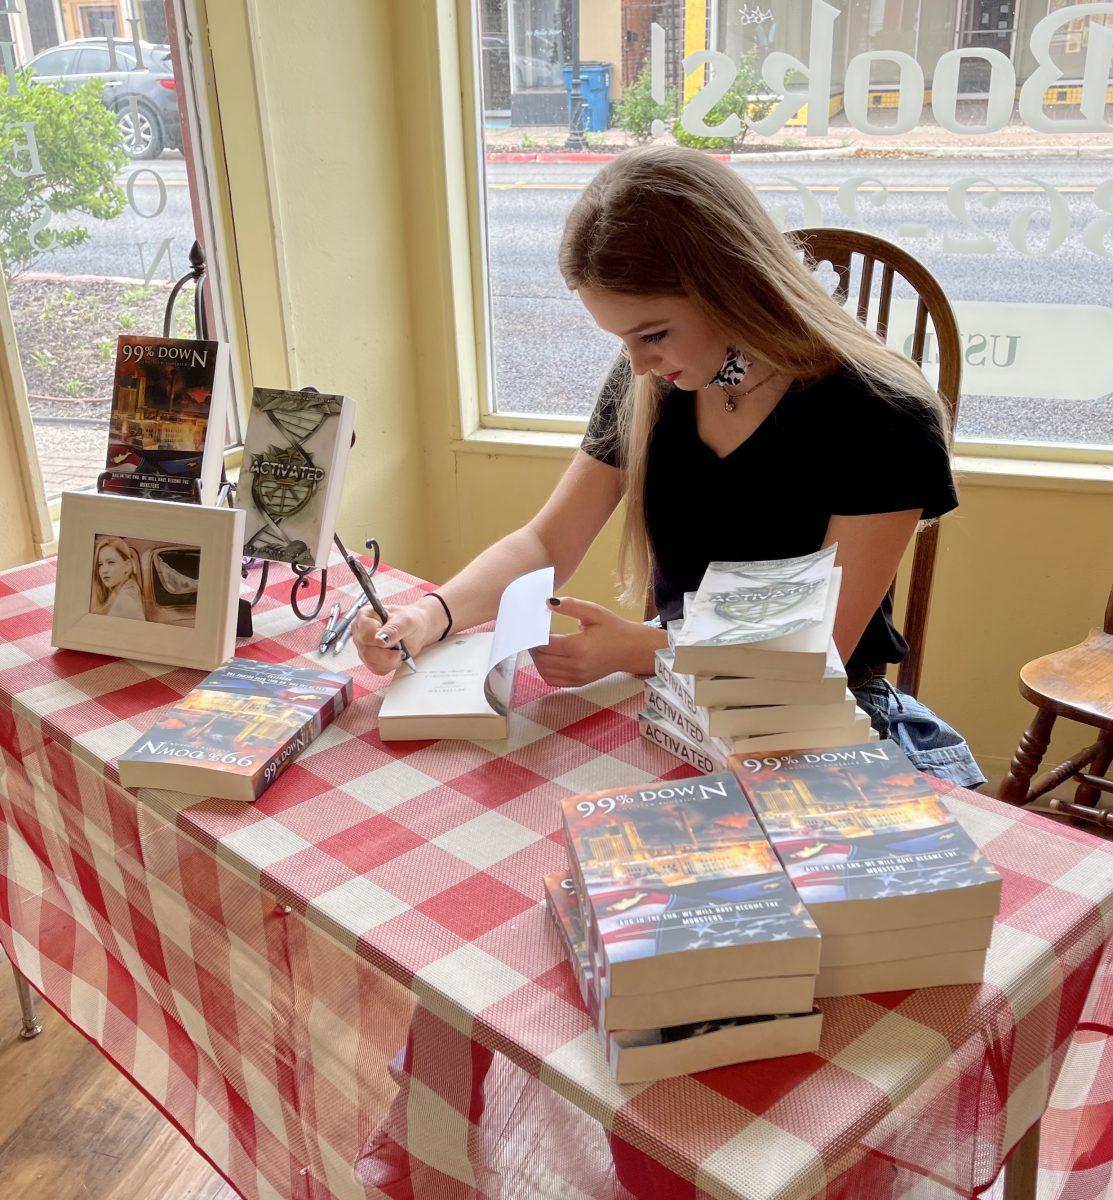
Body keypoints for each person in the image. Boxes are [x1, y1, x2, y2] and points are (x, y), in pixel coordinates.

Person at [353, 144, 984, 789]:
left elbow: (813, 656)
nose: (636, 365)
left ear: (734, 286)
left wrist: (644, 650)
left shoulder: (881, 414)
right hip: (675, 704)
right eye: (620, 340)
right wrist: (430, 614)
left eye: (652, 334)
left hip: (812, 717)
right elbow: (546, 540)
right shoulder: (655, 387)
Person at [90, 537, 145, 621]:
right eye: (100, 564)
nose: (104, 570)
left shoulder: (125, 600)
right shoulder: (122, 589)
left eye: (111, 562)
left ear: (127, 565)